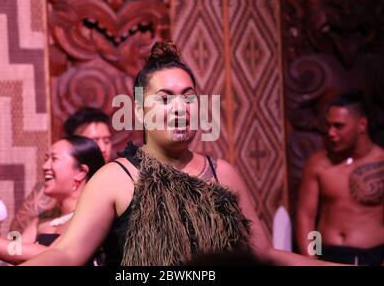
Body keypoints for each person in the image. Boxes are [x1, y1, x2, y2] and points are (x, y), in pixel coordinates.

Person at [21, 41, 334, 266]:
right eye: (165, 99)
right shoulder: (115, 178)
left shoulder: (221, 173)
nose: (180, 109)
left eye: (189, 98)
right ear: (139, 111)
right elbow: (67, 254)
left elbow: (264, 254)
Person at [0, 136, 105, 265]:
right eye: (46, 159)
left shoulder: (90, 217)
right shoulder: (41, 219)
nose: (44, 166)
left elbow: (54, 256)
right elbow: (10, 258)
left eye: (54, 159)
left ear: (80, 172)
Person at [296, 92, 384, 265]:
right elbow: (306, 217)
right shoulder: (318, 164)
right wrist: (312, 260)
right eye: (329, 125)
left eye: (338, 126)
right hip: (326, 255)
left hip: (370, 257)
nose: (331, 132)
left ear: (361, 125)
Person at [11, 107, 113, 232]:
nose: (102, 148)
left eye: (107, 141)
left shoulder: (116, 183)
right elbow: (16, 234)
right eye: (93, 140)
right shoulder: (48, 190)